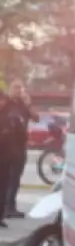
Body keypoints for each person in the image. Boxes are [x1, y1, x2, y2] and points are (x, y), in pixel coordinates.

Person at [2, 80, 36, 219]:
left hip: (21, 145)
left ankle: (11, 205)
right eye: (15, 87)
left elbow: (36, 117)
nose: (18, 90)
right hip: (8, 146)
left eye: (20, 88)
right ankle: (7, 207)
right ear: (10, 89)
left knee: (16, 177)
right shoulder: (7, 104)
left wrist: (28, 104)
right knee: (8, 177)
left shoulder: (23, 105)